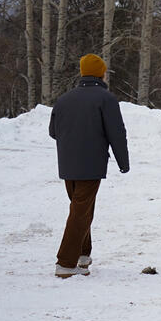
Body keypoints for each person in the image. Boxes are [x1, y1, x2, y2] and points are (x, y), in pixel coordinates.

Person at [48, 53, 130, 278]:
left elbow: (53, 131)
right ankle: (65, 263)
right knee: (80, 212)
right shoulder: (106, 99)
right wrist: (124, 162)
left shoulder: (64, 99)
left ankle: (83, 256)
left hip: (67, 164)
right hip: (91, 164)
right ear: (101, 73)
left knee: (81, 209)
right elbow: (117, 134)